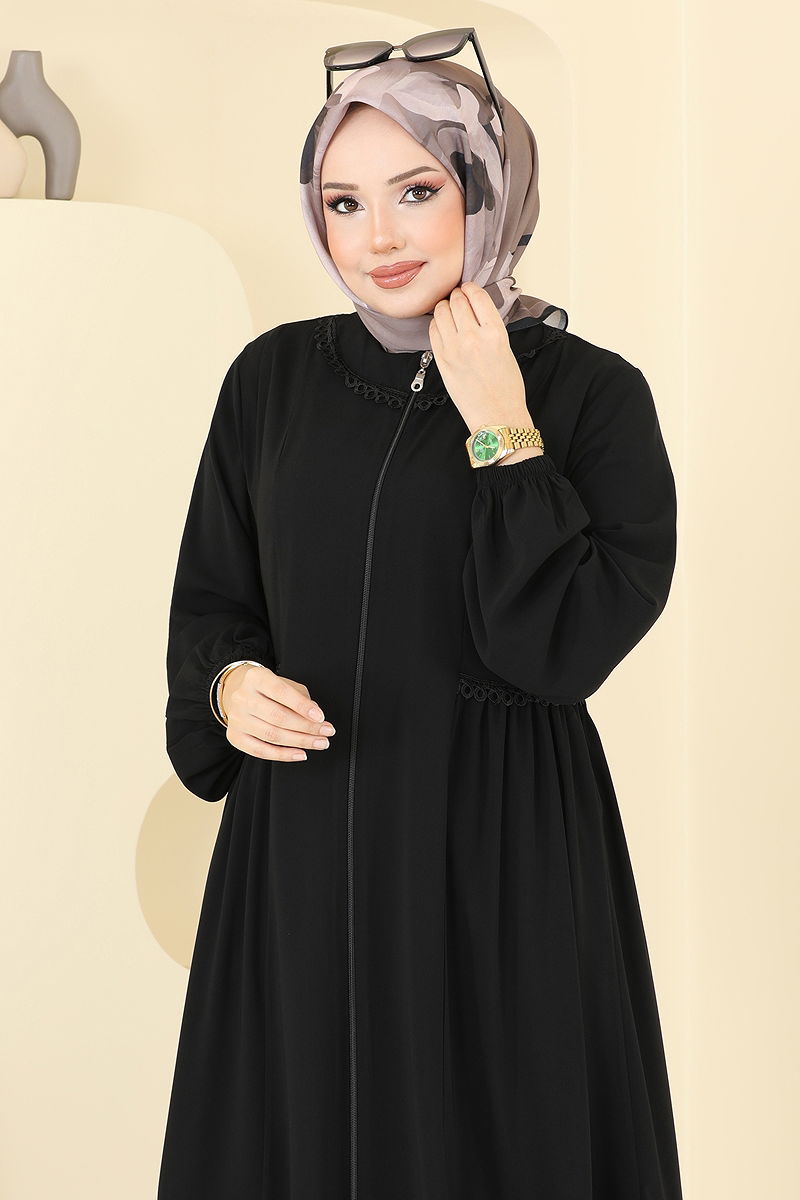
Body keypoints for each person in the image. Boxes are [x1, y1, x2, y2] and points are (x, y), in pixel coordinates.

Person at [158, 45, 684, 1200]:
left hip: (493, 859)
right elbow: (214, 601)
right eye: (343, 202)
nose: (378, 236)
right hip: (299, 857)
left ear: (489, 191)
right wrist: (227, 687)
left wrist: (499, 424)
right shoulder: (270, 382)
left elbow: (563, 645)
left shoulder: (593, 395)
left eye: (416, 190)